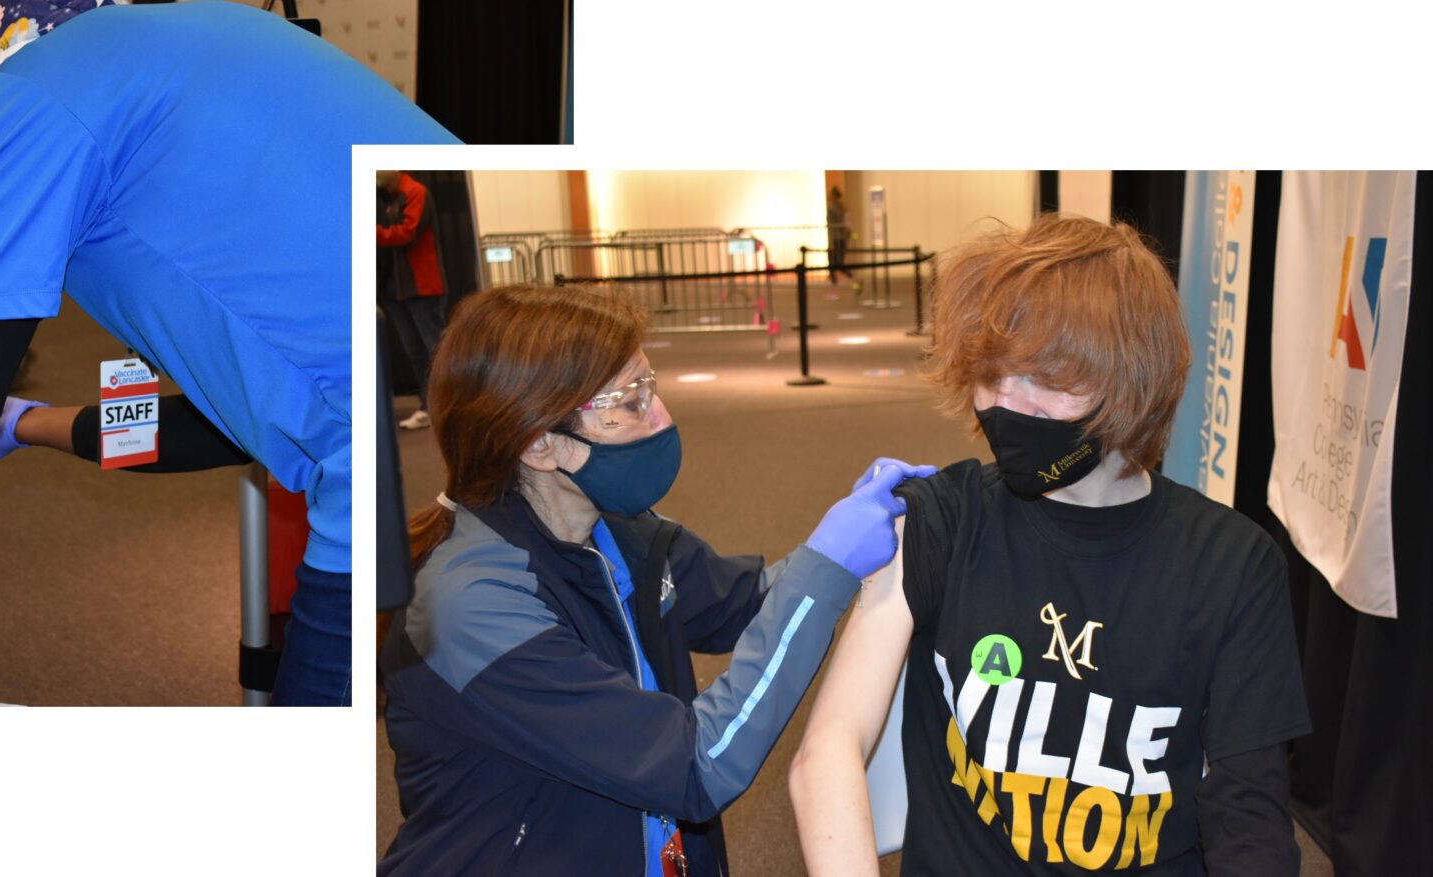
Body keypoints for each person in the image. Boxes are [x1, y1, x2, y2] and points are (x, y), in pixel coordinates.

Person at [0, 0, 459, 707]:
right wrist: (22, 423)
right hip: (475, 414)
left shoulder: (27, 96)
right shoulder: (225, 33)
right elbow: (237, 423)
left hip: (373, 478)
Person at [788, 215, 1309, 875]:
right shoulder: (941, 521)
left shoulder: (1231, 563)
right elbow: (827, 751)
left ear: (1131, 382)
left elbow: (1249, 818)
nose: (1006, 404)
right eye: (992, 375)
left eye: (1046, 379)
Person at [378, 284, 935, 875]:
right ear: (540, 444)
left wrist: (844, 543)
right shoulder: (470, 607)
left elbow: (744, 603)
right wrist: (828, 565)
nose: (661, 415)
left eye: (651, 386)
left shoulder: (619, 530)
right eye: (630, 399)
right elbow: (698, 765)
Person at [377, 169, 448, 431]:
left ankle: (449, 406)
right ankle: (428, 406)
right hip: (395, 290)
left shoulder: (416, 192)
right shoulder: (390, 197)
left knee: (436, 352)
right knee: (416, 354)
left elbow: (407, 233)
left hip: (422, 287)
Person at [827, 185, 854, 285]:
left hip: (838, 237)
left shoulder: (838, 208)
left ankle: (841, 272)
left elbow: (843, 221)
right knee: (836, 258)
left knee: (837, 258)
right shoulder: (838, 208)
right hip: (837, 236)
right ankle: (838, 274)